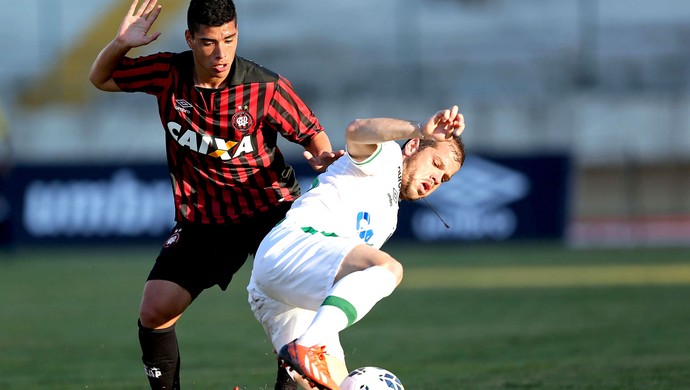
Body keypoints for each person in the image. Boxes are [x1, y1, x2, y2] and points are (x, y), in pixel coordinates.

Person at [88, 0, 344, 388]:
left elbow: (310, 132)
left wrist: (324, 157)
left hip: (271, 212)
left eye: (229, 38)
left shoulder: (264, 86)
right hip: (205, 220)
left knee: (295, 312)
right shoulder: (167, 73)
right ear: (190, 38)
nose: (221, 53)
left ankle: (294, 380)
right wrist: (122, 43)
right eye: (209, 42)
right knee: (155, 310)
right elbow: (100, 78)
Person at [248, 105, 466, 390]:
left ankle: (307, 348)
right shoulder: (386, 158)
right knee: (388, 268)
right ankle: (312, 343)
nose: (437, 179)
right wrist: (419, 126)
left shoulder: (389, 218)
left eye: (444, 178)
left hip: (281, 290)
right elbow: (356, 130)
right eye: (436, 164)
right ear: (413, 146)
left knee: (331, 384)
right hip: (294, 246)